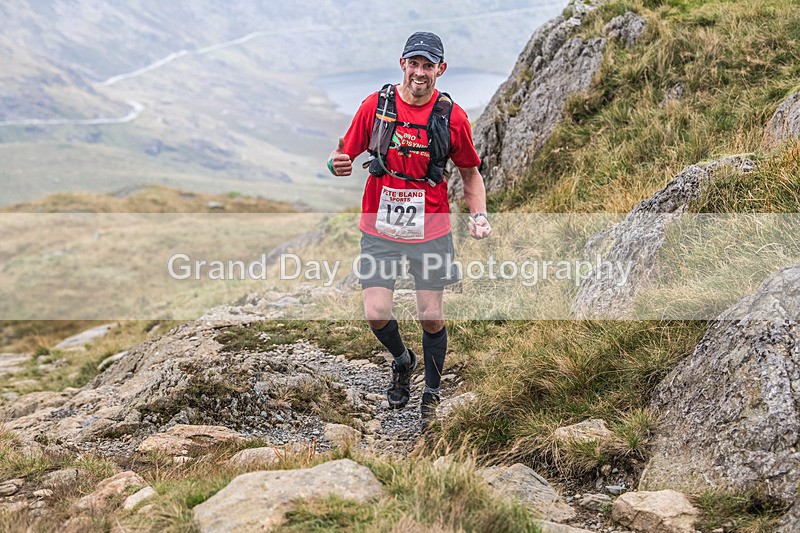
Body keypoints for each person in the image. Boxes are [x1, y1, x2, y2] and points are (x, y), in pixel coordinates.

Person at [327, 31, 491, 427]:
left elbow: (470, 174)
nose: (420, 72)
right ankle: (403, 360)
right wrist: (336, 164)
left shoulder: (452, 117)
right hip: (380, 226)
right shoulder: (376, 106)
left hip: (430, 228)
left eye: (428, 65)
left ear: (441, 69)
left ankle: (431, 392)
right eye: (413, 63)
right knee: (376, 312)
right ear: (403, 64)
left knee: (430, 316)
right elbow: (341, 156)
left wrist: (479, 214)